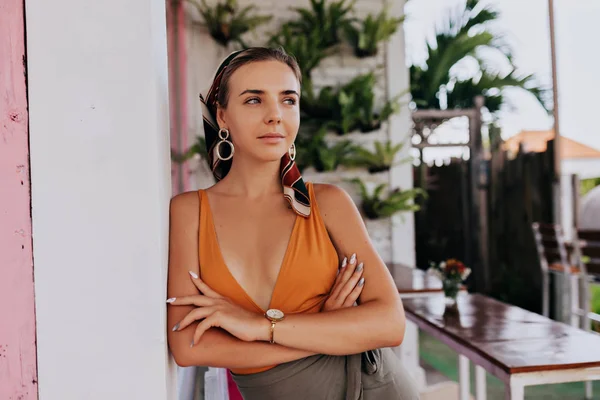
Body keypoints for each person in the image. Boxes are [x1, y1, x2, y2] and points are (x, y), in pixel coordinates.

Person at [167, 47, 419, 399]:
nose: (275, 116)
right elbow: (189, 347)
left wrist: (259, 327)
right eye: (254, 100)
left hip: (371, 388)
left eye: (288, 100)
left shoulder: (328, 203)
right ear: (222, 116)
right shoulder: (188, 211)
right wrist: (324, 329)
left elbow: (391, 324)